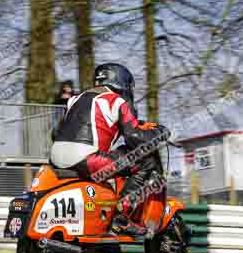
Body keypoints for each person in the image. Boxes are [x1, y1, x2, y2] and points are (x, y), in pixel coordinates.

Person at [50, 63, 168, 236]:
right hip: (87, 160)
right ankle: (121, 219)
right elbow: (133, 137)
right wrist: (160, 133)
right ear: (122, 82)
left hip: (55, 157)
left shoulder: (75, 99)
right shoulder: (117, 101)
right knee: (145, 161)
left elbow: (55, 133)